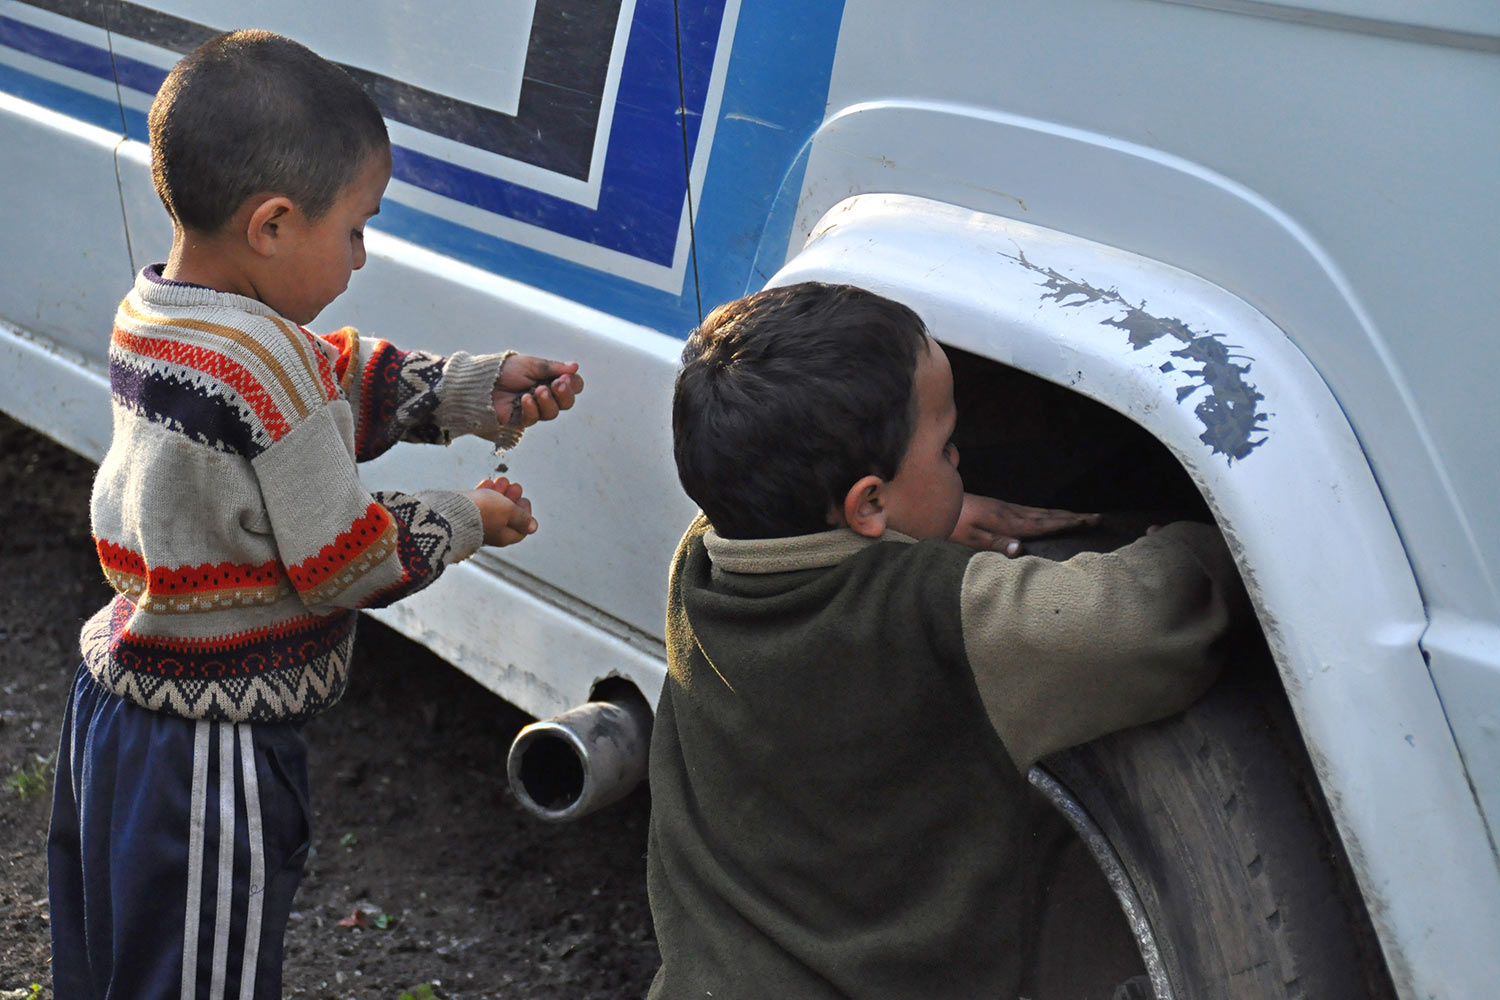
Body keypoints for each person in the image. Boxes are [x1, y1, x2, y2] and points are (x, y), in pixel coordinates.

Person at [46, 30, 584, 1000]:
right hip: (210, 746)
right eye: (355, 229)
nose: (363, 255)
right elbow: (345, 558)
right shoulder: (264, 365)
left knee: (121, 964)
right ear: (273, 226)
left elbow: (330, 376)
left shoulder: (160, 314)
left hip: (119, 711)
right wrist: (473, 514)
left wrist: (468, 389)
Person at [647, 282, 1250, 999]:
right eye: (946, 447)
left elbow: (819, 542)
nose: (961, 458)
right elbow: (1147, 619)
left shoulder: (702, 561)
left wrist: (916, 517)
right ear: (868, 501)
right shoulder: (939, 619)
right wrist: (1212, 541)